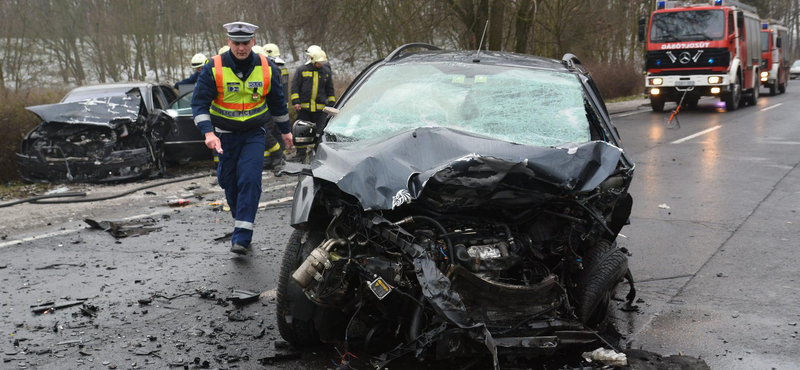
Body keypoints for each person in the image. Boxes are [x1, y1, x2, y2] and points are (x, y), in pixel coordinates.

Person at [192, 21, 292, 255]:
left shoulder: (267, 67)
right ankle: (242, 218)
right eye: (236, 43)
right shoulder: (213, 67)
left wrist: (286, 130)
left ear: (253, 42)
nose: (241, 48)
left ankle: (242, 236)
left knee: (249, 178)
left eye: (245, 43)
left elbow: (277, 102)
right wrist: (208, 133)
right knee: (228, 181)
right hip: (224, 136)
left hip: (254, 134)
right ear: (229, 43)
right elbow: (199, 104)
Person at [290, 46, 335, 158]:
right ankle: (300, 153)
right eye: (319, 62)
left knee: (320, 130)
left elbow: (330, 89)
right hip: (304, 107)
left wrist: (332, 104)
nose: (321, 64)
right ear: (314, 61)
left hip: (320, 109)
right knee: (302, 130)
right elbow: (295, 86)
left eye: (323, 62)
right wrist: (296, 101)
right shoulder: (302, 70)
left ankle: (318, 152)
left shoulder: (326, 72)